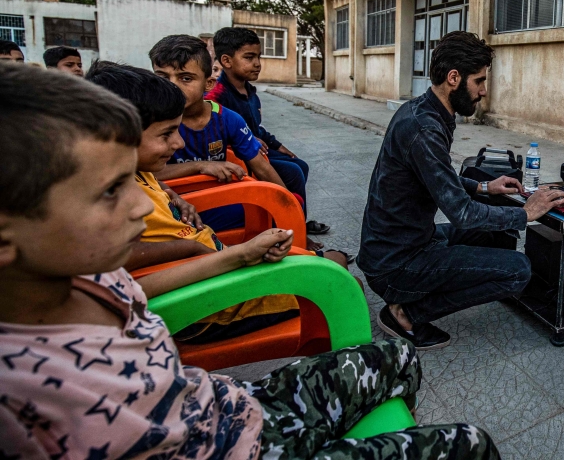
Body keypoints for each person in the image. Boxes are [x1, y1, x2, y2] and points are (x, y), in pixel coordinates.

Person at [0, 63, 501, 460]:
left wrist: (237, 253)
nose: (136, 204)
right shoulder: (30, 396)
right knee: (470, 443)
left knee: (399, 358)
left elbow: (144, 290)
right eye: (110, 191)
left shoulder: (83, 277)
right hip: (244, 445)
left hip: (227, 409)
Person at [359, 31, 564, 350]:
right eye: (479, 81)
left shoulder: (425, 112)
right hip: (396, 263)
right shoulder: (425, 128)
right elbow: (462, 213)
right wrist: (525, 213)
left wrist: (485, 185)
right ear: (454, 78)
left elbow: (438, 179)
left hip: (409, 241)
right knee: (518, 271)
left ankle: (419, 296)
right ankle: (407, 314)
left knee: (493, 237)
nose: (484, 91)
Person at [86, 61, 308, 343]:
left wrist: (173, 196)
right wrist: (222, 252)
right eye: (167, 134)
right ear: (115, 135)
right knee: (335, 279)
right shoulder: (106, 204)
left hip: (218, 266)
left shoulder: (133, 172)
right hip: (203, 302)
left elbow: (156, 189)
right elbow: (124, 267)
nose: (179, 143)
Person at [208, 27, 331, 238]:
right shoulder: (217, 95)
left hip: (259, 149)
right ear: (226, 61)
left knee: (299, 163)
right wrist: (246, 138)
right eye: (249, 57)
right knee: (293, 172)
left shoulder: (249, 91)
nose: (257, 63)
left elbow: (256, 128)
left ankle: (297, 218)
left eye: (258, 57)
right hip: (241, 156)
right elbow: (213, 129)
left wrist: (276, 145)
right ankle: (290, 225)